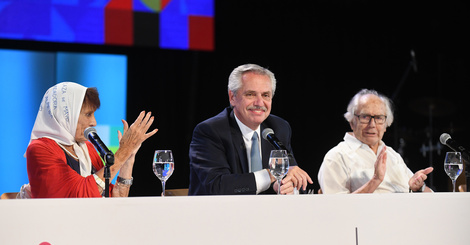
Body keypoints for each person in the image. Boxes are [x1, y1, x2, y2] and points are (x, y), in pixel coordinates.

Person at [189, 64, 312, 195]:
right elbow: (217, 186)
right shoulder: (210, 131)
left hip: (266, 214)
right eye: (251, 95)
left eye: (265, 95)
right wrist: (271, 175)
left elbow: (294, 177)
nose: (259, 103)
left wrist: (284, 185)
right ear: (232, 97)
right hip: (219, 213)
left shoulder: (278, 128)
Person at [21, 82, 158, 198]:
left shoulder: (87, 148)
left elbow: (116, 197)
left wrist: (129, 157)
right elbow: (78, 195)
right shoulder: (39, 149)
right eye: (88, 114)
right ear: (66, 116)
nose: (94, 122)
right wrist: (123, 152)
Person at [318, 89, 433, 194]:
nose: (372, 125)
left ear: (386, 125)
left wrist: (419, 187)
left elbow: (427, 196)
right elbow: (336, 208)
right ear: (352, 122)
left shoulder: (393, 156)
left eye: (378, 118)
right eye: (365, 117)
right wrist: (375, 180)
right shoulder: (336, 157)